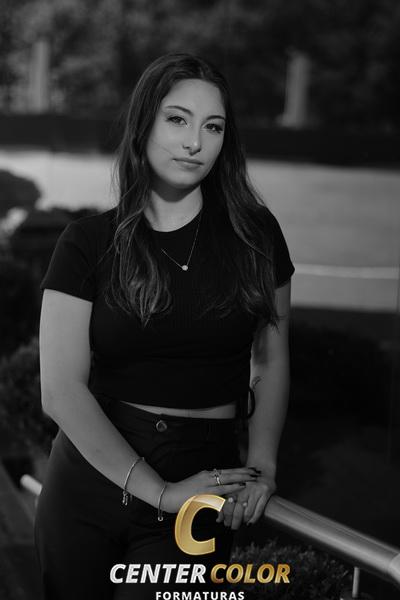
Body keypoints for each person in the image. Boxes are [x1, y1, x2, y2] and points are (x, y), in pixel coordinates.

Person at [34, 52, 295, 600]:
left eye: (213, 127)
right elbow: (60, 390)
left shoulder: (255, 237)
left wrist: (262, 466)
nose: (195, 142)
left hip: (203, 479)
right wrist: (159, 491)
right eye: (177, 119)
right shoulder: (86, 243)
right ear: (144, 125)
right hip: (90, 476)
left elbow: (270, 360)